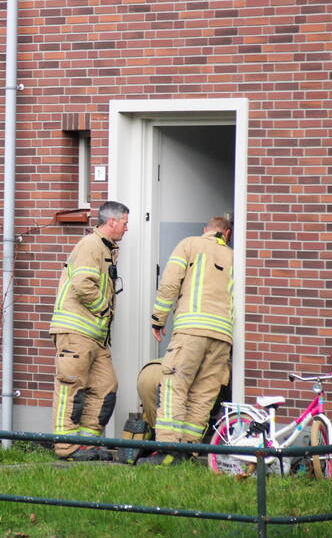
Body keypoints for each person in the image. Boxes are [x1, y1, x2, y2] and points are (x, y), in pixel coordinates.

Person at [141, 216, 233, 466]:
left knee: (175, 386)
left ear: (206, 230)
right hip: (222, 338)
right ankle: (189, 452)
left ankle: (168, 450)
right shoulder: (236, 257)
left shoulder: (189, 244)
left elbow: (170, 283)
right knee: (204, 394)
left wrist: (158, 318)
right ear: (227, 234)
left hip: (190, 331)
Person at [48, 200, 129, 461]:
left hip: (94, 336)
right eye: (125, 223)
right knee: (71, 386)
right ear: (112, 222)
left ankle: (87, 443)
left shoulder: (106, 248)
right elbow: (83, 284)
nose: (126, 229)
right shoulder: (90, 246)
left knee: (106, 386)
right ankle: (66, 446)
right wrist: (105, 309)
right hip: (76, 332)